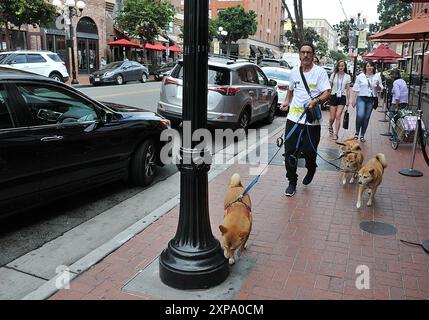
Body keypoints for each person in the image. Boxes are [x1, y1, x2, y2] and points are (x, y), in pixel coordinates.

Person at [279, 42, 331, 197]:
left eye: (309, 52)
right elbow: (290, 90)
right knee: (289, 151)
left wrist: (316, 101)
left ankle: (311, 167)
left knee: (309, 151)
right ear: (299, 54)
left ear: (313, 55)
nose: (306, 55)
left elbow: (327, 93)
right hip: (294, 119)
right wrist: (286, 102)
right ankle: (292, 182)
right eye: (303, 52)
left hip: (311, 121)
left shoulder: (320, 72)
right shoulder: (294, 72)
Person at [350, 61, 383, 143]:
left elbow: (380, 89)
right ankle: (357, 132)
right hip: (361, 97)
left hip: (371, 99)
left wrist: (378, 85)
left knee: (366, 118)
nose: (369, 67)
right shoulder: (360, 76)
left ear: (373, 68)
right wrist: (353, 100)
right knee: (360, 115)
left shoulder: (377, 76)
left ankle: (362, 135)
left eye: (371, 66)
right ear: (365, 67)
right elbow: (355, 88)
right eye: (367, 66)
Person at [328, 60, 351, 140]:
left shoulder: (347, 76)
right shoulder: (333, 75)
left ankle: (336, 134)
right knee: (332, 117)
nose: (341, 67)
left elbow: (348, 89)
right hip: (333, 96)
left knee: (338, 116)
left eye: (342, 66)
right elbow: (329, 87)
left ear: (345, 67)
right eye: (340, 66)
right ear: (337, 66)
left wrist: (348, 101)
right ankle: (330, 125)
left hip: (342, 97)